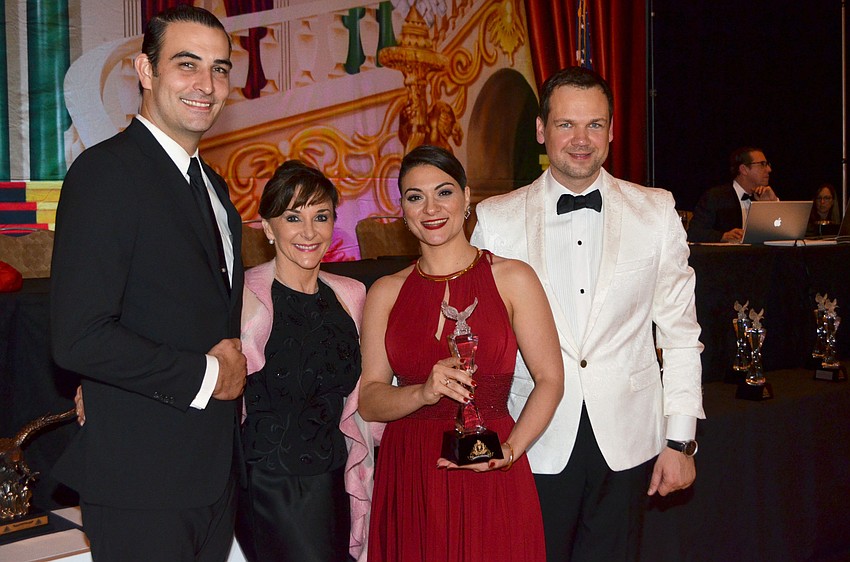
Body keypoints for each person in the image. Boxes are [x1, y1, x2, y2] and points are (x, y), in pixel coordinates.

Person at [471, 67, 705, 561]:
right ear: (541, 129)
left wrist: (681, 441)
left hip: (627, 442)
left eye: (595, 125)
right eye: (566, 125)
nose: (581, 140)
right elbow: (477, 340)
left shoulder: (656, 211)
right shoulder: (495, 219)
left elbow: (681, 335)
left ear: (612, 131)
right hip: (530, 438)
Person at [50, 6, 246, 560]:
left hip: (212, 475)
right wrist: (209, 375)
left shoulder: (212, 185)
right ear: (145, 70)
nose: (207, 86)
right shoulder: (104, 175)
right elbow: (79, 337)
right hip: (142, 483)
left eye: (220, 69)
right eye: (188, 64)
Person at [358, 145, 564, 562]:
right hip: (411, 474)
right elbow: (369, 400)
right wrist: (420, 393)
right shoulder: (385, 292)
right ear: (402, 209)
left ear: (468, 197)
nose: (430, 207)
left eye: (444, 192)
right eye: (415, 196)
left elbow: (550, 380)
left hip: (488, 465)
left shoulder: (512, 278)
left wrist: (509, 452)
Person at [235, 160, 373, 562]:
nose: (309, 232)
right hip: (271, 483)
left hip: (338, 480)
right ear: (268, 227)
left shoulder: (351, 295)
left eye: (321, 216)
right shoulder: (242, 296)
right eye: (293, 217)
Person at [688, 146, 779, 243]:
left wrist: (773, 203)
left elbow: (782, 233)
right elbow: (694, 233)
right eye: (762, 164)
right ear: (744, 169)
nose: (769, 169)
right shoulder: (716, 196)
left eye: (767, 164)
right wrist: (723, 236)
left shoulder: (764, 197)